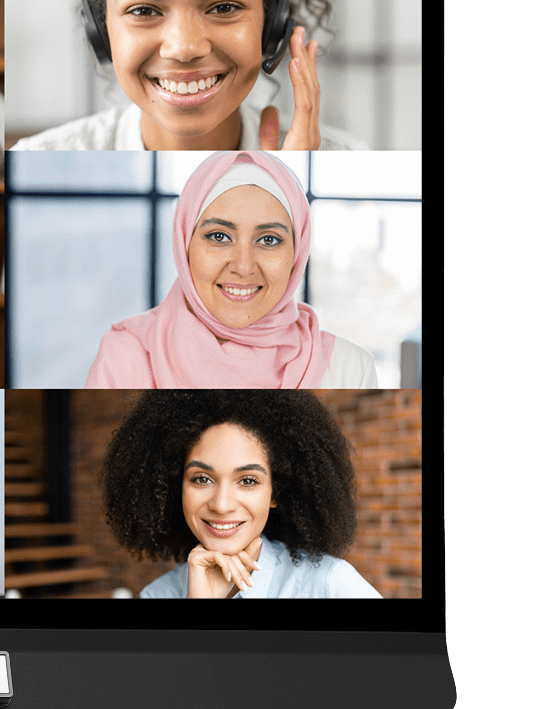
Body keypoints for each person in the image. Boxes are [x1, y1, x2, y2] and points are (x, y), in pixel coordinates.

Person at [10, 0, 360, 151]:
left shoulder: (348, 162)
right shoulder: (35, 159)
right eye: (144, 11)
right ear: (100, 30)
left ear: (273, 24)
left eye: (224, 7)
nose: (184, 48)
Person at [86, 151, 390, 389]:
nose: (243, 267)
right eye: (219, 236)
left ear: (297, 254)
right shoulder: (127, 353)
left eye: (269, 240)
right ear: (185, 244)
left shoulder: (348, 369)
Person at [102, 390, 382, 598]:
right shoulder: (158, 595)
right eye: (202, 479)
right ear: (175, 486)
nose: (222, 505)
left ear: (276, 491)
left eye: (248, 481)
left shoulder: (330, 584)